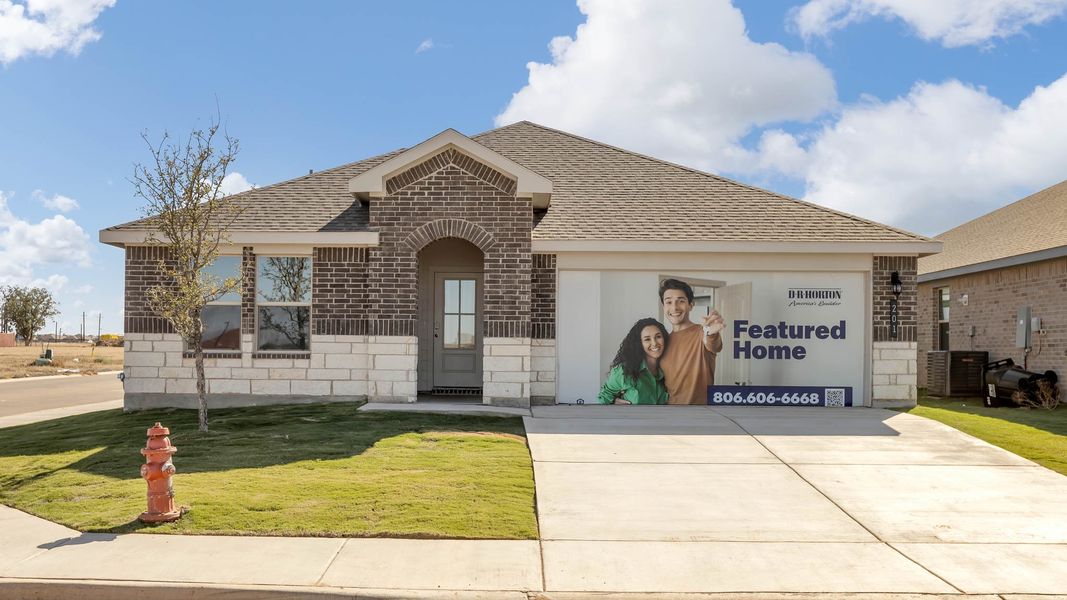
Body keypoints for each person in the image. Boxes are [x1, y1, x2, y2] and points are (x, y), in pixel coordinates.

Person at [658, 278, 725, 405]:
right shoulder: (662, 342)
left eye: (681, 301)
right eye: (669, 302)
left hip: (701, 416)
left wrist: (711, 332)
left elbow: (713, 344)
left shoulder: (702, 333)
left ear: (691, 305)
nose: (674, 307)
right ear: (663, 306)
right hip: (669, 415)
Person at [597, 318, 670, 405]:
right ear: (639, 343)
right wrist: (613, 402)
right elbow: (603, 398)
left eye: (658, 337)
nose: (654, 343)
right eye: (647, 339)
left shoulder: (668, 369)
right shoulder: (623, 371)